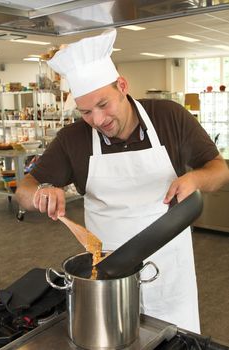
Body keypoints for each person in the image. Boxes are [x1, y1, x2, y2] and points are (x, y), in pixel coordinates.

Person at [15, 29, 229, 333]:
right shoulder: (73, 139)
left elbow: (220, 170)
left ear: (123, 86)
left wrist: (196, 177)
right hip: (107, 279)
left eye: (104, 105)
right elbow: (25, 189)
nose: (98, 120)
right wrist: (42, 193)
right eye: (86, 112)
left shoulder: (169, 117)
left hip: (169, 269)